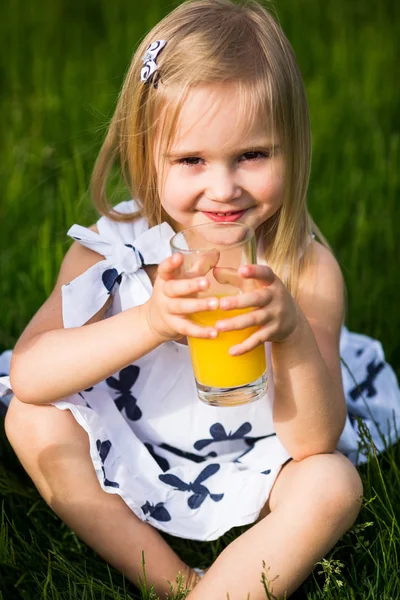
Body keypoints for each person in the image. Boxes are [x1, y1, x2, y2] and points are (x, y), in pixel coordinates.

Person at [1, 0, 399, 597]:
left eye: (253, 155)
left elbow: (313, 440)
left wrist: (289, 333)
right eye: (191, 159)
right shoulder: (112, 253)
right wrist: (151, 321)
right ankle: (175, 582)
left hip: (261, 455)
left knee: (333, 483)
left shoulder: (303, 268)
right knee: (30, 420)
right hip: (131, 439)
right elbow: (30, 374)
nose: (224, 187)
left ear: (292, 147)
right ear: (147, 157)